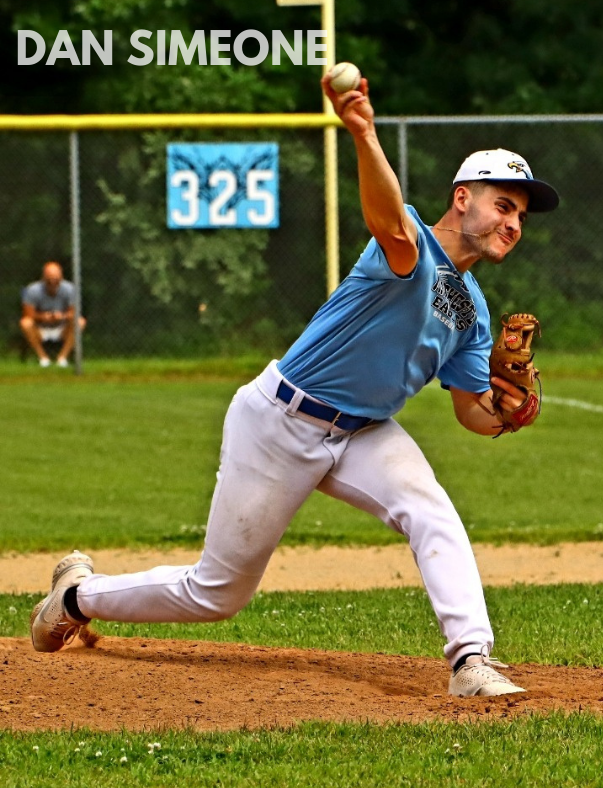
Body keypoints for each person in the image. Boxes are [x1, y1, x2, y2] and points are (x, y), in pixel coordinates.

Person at [30, 74, 559, 698]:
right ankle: (77, 596)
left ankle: (470, 660)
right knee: (217, 593)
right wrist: (362, 129)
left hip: (364, 433)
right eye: (504, 204)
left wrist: (506, 413)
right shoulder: (409, 243)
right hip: (280, 420)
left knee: (431, 509)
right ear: (463, 197)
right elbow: (388, 220)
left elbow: (471, 410)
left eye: (520, 215)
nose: (513, 223)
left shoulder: (472, 311)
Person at [20, 261, 86, 367]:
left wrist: (62, 316)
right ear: (43, 277)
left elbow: (73, 313)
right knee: (25, 323)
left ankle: (62, 358)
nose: (52, 282)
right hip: (40, 328)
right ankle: (43, 358)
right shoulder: (32, 290)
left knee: (80, 322)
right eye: (49, 280)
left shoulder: (70, 289)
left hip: (62, 328)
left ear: (61, 277)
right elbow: (28, 314)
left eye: (56, 279)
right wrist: (43, 317)